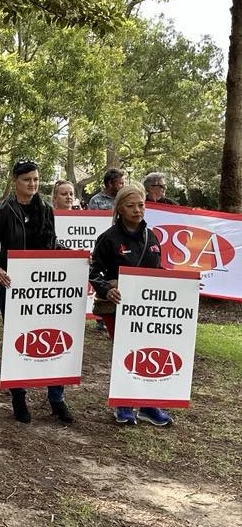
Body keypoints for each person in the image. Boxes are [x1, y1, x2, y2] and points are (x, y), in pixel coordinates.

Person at [0, 159, 74, 425]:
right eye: (27, 180)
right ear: (15, 181)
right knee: (19, 341)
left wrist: (76, 256)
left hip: (44, 287)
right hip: (12, 285)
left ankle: (56, 397)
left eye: (36, 179)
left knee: (53, 338)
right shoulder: (2, 211)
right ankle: (18, 395)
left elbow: (51, 243)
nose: (32, 184)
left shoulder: (46, 209)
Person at [89, 183, 172, 427]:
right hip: (118, 307)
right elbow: (94, 272)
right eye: (131, 206)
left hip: (148, 309)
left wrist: (183, 286)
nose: (137, 210)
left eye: (141, 205)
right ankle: (123, 404)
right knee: (125, 352)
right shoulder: (108, 239)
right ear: (119, 209)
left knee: (147, 352)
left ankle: (147, 405)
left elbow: (157, 270)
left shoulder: (153, 236)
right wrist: (107, 289)